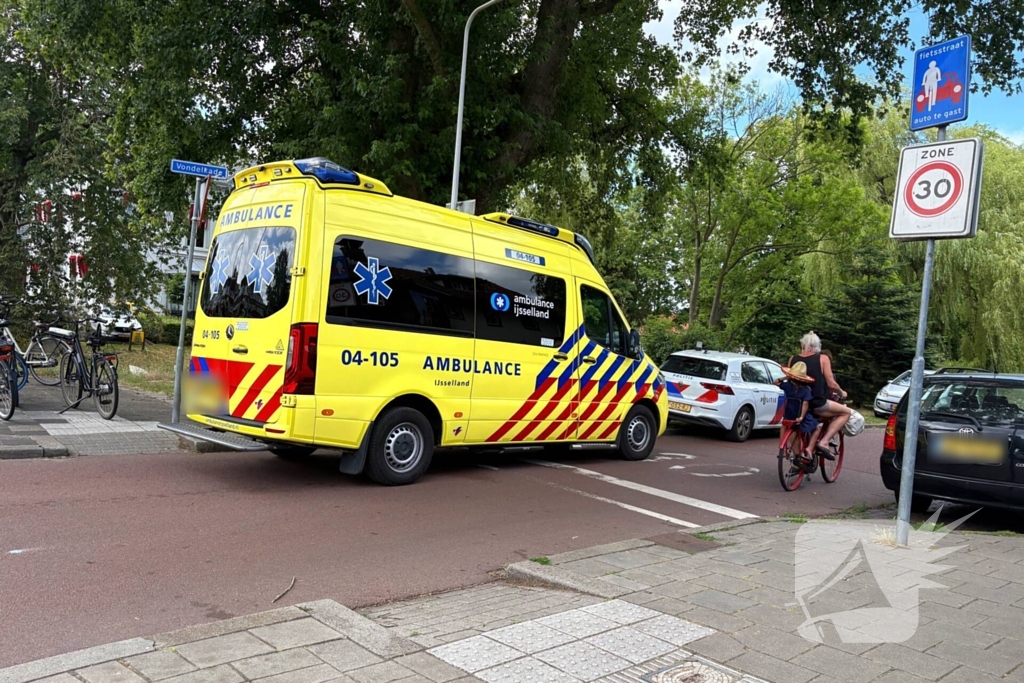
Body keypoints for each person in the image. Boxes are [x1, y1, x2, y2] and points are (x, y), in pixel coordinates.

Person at [791, 332, 851, 458]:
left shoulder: (793, 359)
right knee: (846, 412)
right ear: (818, 346)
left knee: (794, 428)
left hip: (796, 404)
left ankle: (797, 458)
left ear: (803, 345)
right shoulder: (823, 359)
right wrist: (841, 392)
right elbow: (831, 383)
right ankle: (824, 442)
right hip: (816, 403)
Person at [776, 361, 822, 458]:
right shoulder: (806, 390)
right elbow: (805, 403)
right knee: (816, 428)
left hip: (788, 414)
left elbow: (775, 382)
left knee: (784, 425)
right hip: (799, 416)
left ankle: (782, 448)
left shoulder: (788, 386)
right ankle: (809, 448)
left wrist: (785, 378)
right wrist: (801, 417)